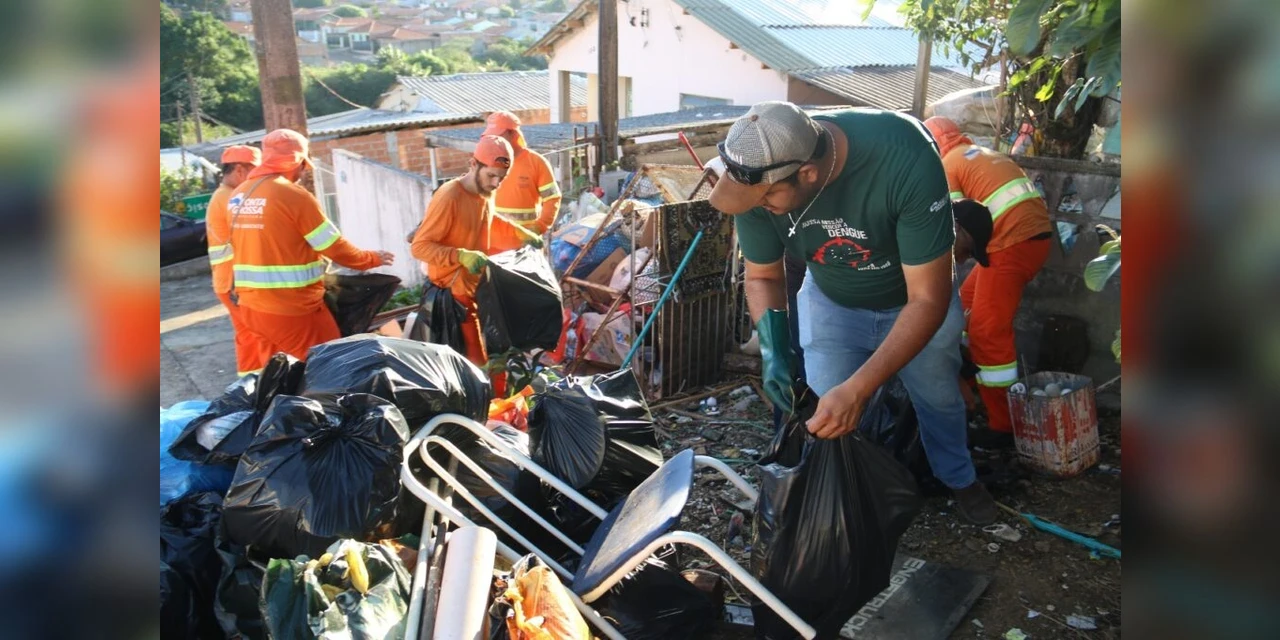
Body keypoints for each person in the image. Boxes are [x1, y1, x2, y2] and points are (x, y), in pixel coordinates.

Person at [710, 101, 995, 524]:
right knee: (829, 415)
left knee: (938, 399)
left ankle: (959, 477)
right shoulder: (757, 185)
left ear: (807, 172)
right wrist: (773, 347)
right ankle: (845, 506)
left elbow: (927, 301)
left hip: (913, 302)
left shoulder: (904, 156)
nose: (759, 205)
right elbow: (763, 277)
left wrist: (861, 388)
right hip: (831, 299)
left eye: (768, 195)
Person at [924, 117, 1054, 449]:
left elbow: (947, 227)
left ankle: (1002, 427)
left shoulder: (947, 165)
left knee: (986, 331)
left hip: (1011, 243)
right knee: (964, 306)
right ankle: (967, 382)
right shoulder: (979, 153)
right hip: (1026, 241)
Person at [227, 129, 393, 374]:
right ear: (298, 162)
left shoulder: (239, 194)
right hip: (291, 309)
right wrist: (371, 258)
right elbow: (333, 247)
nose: (303, 172)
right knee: (331, 366)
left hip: (251, 307)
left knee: (276, 377)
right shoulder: (293, 195)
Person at [410, 134, 545, 396]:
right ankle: (487, 420)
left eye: (501, 178)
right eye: (491, 176)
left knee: (499, 357)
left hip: (476, 290)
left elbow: (490, 219)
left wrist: (521, 232)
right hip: (453, 299)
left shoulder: (485, 193)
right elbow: (419, 246)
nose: (495, 184)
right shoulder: (449, 196)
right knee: (477, 367)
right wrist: (459, 255)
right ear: (474, 164)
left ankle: (503, 410)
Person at [206, 145, 264, 377]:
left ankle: (249, 386)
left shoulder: (223, 196)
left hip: (228, 281)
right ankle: (261, 387)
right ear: (240, 170)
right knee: (259, 336)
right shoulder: (232, 199)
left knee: (248, 337)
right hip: (235, 282)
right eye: (255, 171)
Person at [482, 111, 563, 234]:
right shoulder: (487, 161)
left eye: (499, 136)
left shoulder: (536, 162)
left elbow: (552, 198)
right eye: (492, 137)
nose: (495, 141)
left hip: (526, 240)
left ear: (513, 134)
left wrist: (540, 226)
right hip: (494, 239)